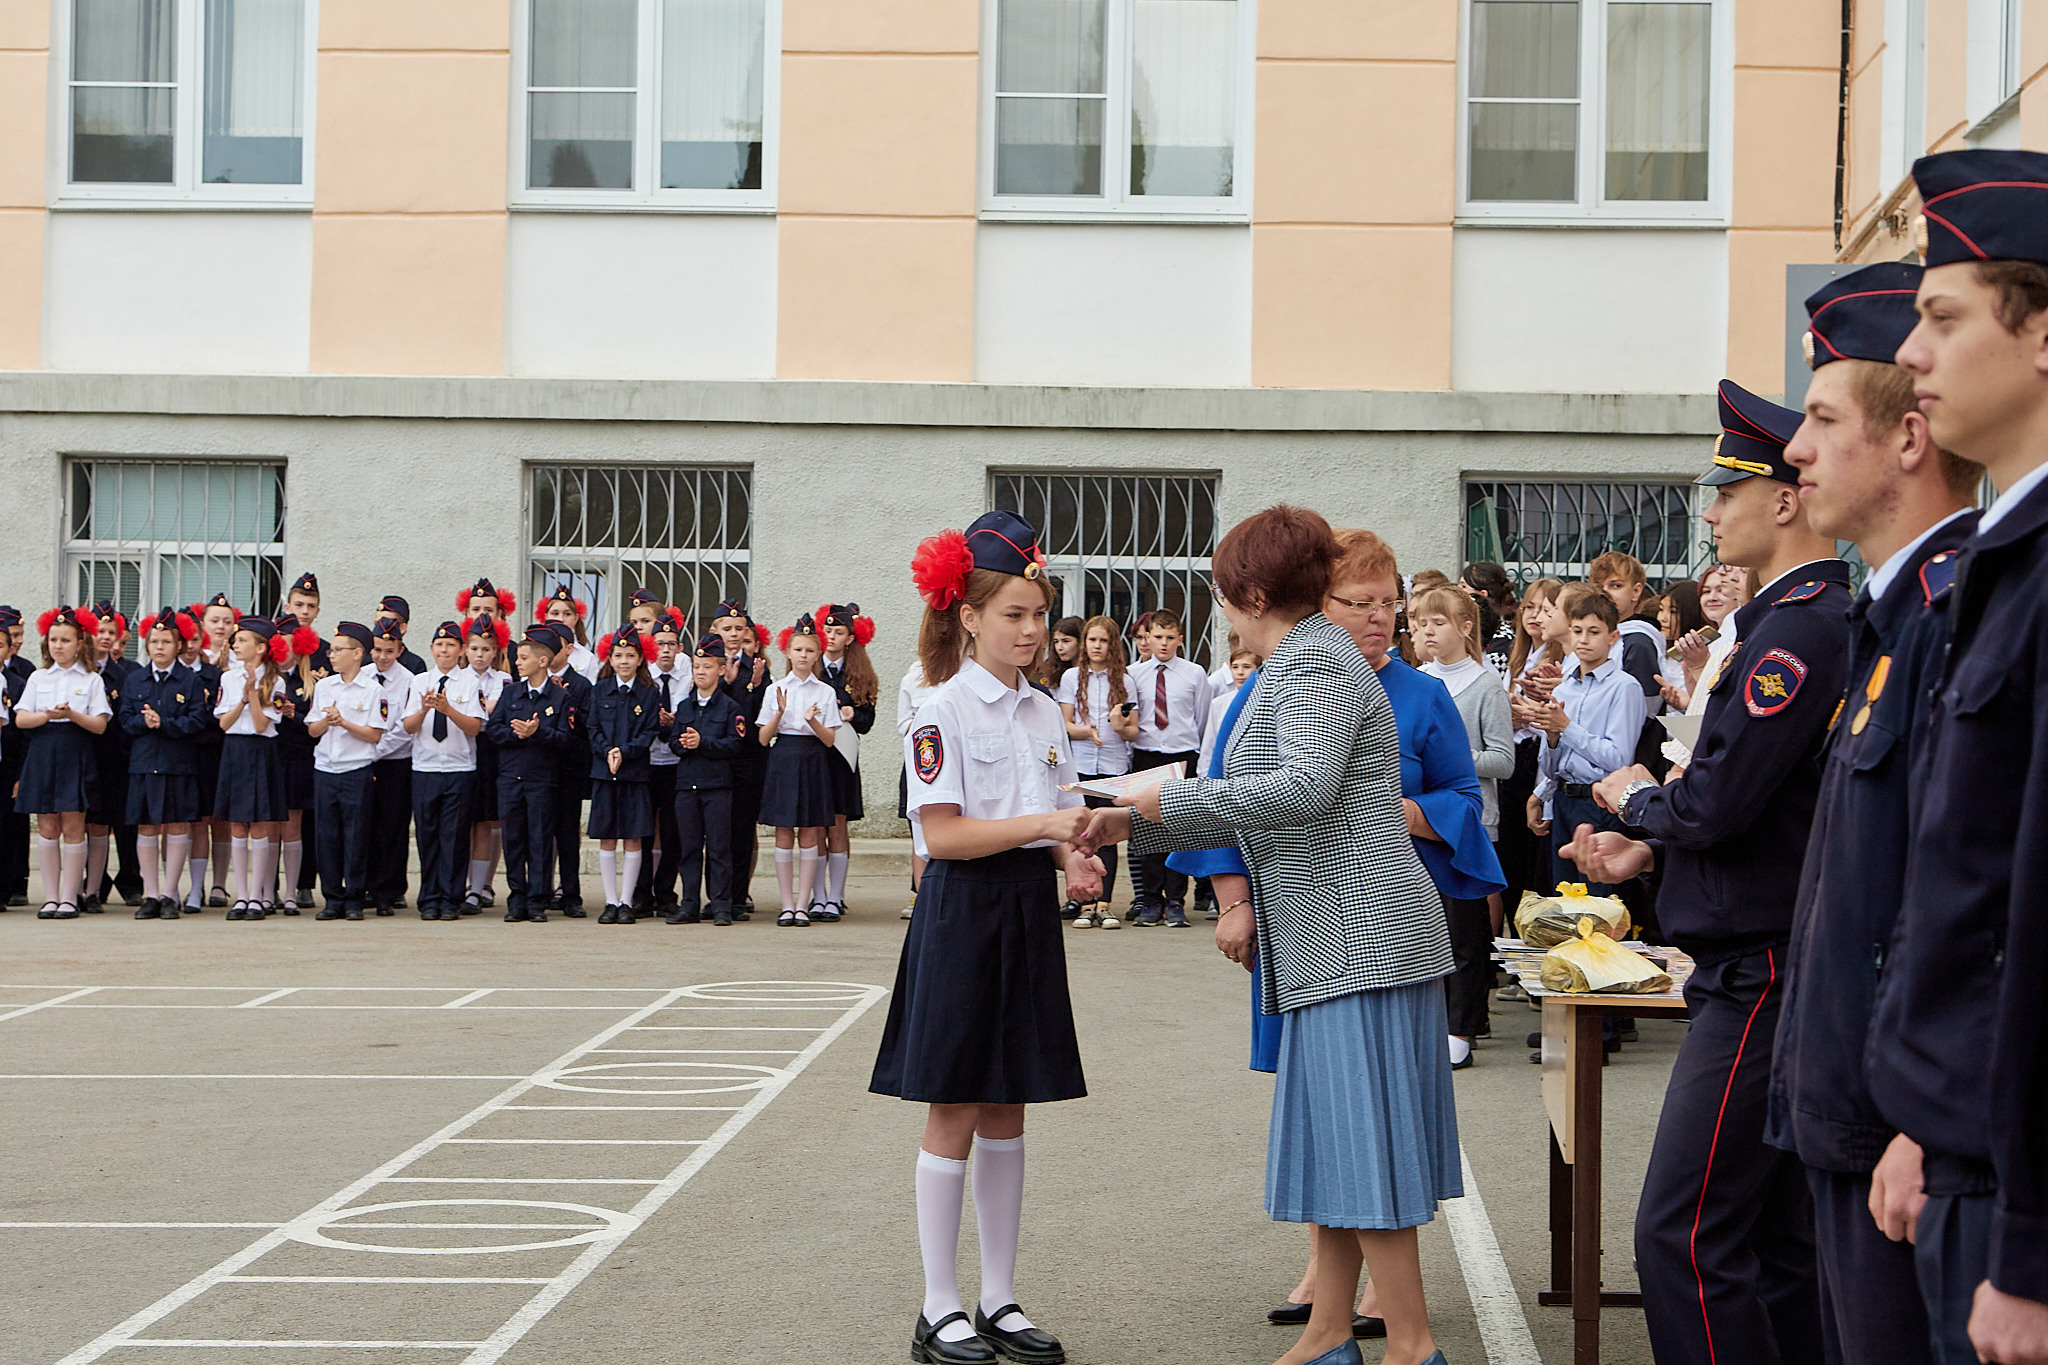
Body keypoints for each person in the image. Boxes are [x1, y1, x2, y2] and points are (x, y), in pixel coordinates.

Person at [1088, 506, 1458, 1365]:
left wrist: (1155, 809)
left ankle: (1410, 1343)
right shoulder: (1306, 659)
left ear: (1253, 592)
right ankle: (1331, 1333)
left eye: (1225, 595)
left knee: (1364, 1147)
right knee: (1338, 1141)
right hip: (1337, 937)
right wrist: (1136, 814)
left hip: (1359, 936)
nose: (1223, 611)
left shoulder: (1314, 666)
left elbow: (1303, 789)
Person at [1566, 379, 1849, 1365]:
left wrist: (1636, 800)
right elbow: (1741, 796)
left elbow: (1717, 799)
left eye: (1726, 490)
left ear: (1783, 499)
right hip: (1753, 954)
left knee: (1679, 1238)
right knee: (1772, 1245)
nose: (1709, 510)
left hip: (1759, 965)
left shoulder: (1799, 627)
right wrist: (1653, 838)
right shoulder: (1786, 621)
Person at [1769, 260, 1982, 1365]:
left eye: (1816, 419)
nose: (1793, 453)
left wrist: (1917, 1121)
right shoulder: (1886, 614)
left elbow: (1954, 894)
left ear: (1904, 441)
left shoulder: (1947, 614)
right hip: (1849, 1112)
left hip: (1894, 1134)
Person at [1865, 148, 2048, 1365]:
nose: (1913, 356)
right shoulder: (2005, 557)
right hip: (1967, 1157)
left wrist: (2030, 1251)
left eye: (1940, 317)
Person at [870, 509, 1100, 1365]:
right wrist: (1047, 822)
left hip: (1025, 912)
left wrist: (1075, 853)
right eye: (1014, 613)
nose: (1033, 630)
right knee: (957, 1101)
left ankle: (999, 1296)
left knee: (1011, 1101)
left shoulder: (1044, 711)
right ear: (968, 616)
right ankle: (939, 1304)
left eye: (1040, 613)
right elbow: (946, 835)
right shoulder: (938, 709)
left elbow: (1061, 812)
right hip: (963, 909)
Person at [1414, 585, 1516, 1056]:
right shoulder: (1420, 680)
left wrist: (1450, 757)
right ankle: (1436, 1018)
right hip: (1421, 818)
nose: (1426, 631)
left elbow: (1503, 760)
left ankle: (1466, 1024)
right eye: (1420, 622)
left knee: (1466, 928)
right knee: (1426, 927)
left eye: (1437, 622)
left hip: (1470, 820)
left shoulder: (1485, 685)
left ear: (1466, 627)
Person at [1525, 587, 1644, 896]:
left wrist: (1567, 727)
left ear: (1613, 638)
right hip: (1564, 800)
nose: (1584, 639)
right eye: (1577, 631)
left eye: (1594, 631)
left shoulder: (1624, 687)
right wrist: (1552, 739)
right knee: (1563, 897)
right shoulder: (1565, 689)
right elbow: (1553, 766)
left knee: (1599, 899)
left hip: (1599, 803)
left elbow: (1618, 759)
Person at [16, 606, 110, 919]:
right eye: (54, 639)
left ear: (79, 644)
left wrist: (71, 715)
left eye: (65, 640)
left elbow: (99, 725)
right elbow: (21, 719)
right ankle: (51, 897)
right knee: (46, 824)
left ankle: (70, 897)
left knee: (73, 824)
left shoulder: (92, 679)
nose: (58, 645)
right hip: (43, 752)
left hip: (75, 751)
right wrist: (47, 715)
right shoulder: (38, 677)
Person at [122, 608, 209, 920]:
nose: (159, 647)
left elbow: (198, 719)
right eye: (154, 641)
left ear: (179, 645)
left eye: (166, 641)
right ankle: (151, 893)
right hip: (144, 764)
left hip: (177, 763)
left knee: (177, 825)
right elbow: (124, 720)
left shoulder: (190, 680)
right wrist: (145, 723)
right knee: (146, 826)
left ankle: (170, 893)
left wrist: (166, 723)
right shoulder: (135, 680)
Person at [1126, 608, 1210, 927]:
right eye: (1157, 637)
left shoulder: (1194, 673)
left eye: (1169, 637)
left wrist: (1196, 760)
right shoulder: (1135, 674)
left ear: (1179, 639)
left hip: (1181, 755)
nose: (1163, 643)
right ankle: (1150, 900)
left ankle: (1176, 901)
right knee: (1147, 828)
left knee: (1179, 830)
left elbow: (1200, 718)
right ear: (1147, 637)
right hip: (1147, 754)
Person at [756, 614, 840, 927]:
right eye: (798, 650)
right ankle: (786, 904)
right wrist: (779, 712)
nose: (803, 656)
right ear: (788, 653)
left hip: (813, 758)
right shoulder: (775, 689)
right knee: (782, 832)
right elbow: (764, 738)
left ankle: (803, 904)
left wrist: (812, 720)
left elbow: (830, 740)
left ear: (817, 655)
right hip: (784, 757)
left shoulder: (825, 692)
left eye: (809, 650)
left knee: (809, 831)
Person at [402, 620, 488, 922]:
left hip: (459, 769)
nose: (444, 650)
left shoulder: (469, 683)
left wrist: (448, 708)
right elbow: (408, 726)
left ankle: (451, 898)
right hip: (425, 768)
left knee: (454, 836)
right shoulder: (418, 681)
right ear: (432, 649)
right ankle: (429, 898)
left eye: (451, 645)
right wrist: (426, 708)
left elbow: (475, 727)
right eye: (439, 645)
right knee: (427, 835)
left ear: (461, 650)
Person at [1057, 614, 1139, 928]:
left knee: (1105, 834)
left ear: (1112, 645)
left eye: (1103, 641)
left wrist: (1120, 727)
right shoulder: (1072, 678)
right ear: (1085, 643)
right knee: (1081, 833)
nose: (1097, 646)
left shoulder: (1125, 680)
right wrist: (1086, 731)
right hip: (1080, 766)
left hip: (1113, 766)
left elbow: (1133, 731)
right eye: (1092, 640)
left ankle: (1103, 904)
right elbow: (1064, 725)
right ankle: (1083, 901)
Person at [307, 622, 391, 922]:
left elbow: (374, 735)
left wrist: (344, 723)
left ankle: (355, 897)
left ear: (357, 654)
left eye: (338, 650)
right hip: (325, 769)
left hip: (356, 770)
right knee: (326, 836)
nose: (331, 655)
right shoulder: (324, 686)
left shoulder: (373, 691)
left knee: (356, 837)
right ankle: (332, 898)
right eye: (331, 649)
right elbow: (312, 730)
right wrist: (327, 723)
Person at [213, 616, 293, 920]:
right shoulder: (227, 678)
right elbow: (223, 723)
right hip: (235, 750)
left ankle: (259, 896)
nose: (236, 643)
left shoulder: (276, 681)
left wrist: (254, 696)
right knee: (236, 823)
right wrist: (242, 701)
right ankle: (242, 895)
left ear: (261, 648)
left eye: (243, 640)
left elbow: (262, 725)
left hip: (261, 750)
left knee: (260, 824)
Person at [487, 628, 569, 923]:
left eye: (523, 657)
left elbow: (565, 738)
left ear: (543, 661)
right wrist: (516, 733)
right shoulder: (510, 692)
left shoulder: (559, 696)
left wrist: (538, 732)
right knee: (513, 839)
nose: (517, 662)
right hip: (510, 777)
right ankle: (517, 898)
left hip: (541, 779)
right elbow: (492, 730)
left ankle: (537, 900)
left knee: (540, 839)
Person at [667, 631, 747, 926]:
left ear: (722, 670)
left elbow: (733, 745)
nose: (701, 672)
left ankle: (721, 905)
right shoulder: (685, 707)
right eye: (697, 667)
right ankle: (689, 904)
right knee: (688, 849)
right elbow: (673, 741)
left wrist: (703, 743)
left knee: (718, 847)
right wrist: (684, 743)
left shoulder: (730, 708)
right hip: (687, 786)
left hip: (717, 787)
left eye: (708, 667)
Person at [588, 622, 660, 924]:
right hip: (605, 773)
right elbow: (592, 728)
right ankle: (609, 901)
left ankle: (626, 902)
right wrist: (608, 751)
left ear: (640, 659)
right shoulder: (600, 689)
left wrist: (624, 752)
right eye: (618, 655)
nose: (624, 661)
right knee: (607, 838)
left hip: (634, 773)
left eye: (630, 655)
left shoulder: (649, 692)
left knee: (633, 838)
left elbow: (649, 731)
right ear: (610, 658)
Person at [817, 602, 880, 921]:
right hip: (813, 757)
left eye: (838, 632)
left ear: (850, 638)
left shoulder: (859, 674)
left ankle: (836, 896)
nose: (830, 637)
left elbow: (868, 720)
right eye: (827, 631)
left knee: (838, 823)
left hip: (842, 757)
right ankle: (816, 896)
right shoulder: (810, 666)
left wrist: (854, 713)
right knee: (815, 825)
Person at [714, 600, 771, 919]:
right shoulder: (710, 664)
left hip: (748, 759)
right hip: (717, 759)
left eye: (739, 629)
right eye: (727, 629)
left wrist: (754, 684)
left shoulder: (759, 668)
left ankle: (736, 897)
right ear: (715, 631)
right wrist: (728, 681)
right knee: (716, 832)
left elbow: (761, 718)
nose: (733, 635)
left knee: (740, 830)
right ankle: (716, 896)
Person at [541, 622, 594, 918]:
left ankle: (571, 893)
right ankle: (542, 889)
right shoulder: (534, 681)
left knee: (568, 834)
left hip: (570, 768)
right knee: (541, 832)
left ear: (569, 649)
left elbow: (586, 727)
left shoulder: (582, 685)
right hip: (540, 768)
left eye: (555, 645)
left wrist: (565, 699)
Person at [84, 605, 134, 913]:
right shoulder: (79, 671)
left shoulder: (127, 674)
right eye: (99, 631)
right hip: (84, 755)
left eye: (111, 633)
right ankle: (92, 885)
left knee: (123, 821)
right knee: (89, 822)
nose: (105, 637)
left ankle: (131, 882)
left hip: (118, 756)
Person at [270, 613, 322, 915]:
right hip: (272, 757)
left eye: (290, 643)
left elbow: (314, 728)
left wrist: (294, 716)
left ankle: (300, 886)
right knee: (271, 823)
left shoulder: (310, 683)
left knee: (295, 823)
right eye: (279, 643)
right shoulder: (267, 679)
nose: (284, 649)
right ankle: (270, 888)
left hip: (300, 760)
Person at [461, 614, 511, 914]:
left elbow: (488, 713)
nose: (480, 655)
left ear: (496, 652)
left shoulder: (503, 680)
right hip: (458, 752)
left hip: (488, 753)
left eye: (486, 649)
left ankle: (477, 889)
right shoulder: (455, 677)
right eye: (475, 648)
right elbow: (479, 710)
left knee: (483, 821)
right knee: (461, 822)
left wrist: (466, 708)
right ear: (466, 649)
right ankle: (460, 882)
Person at [639, 612, 688, 917]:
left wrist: (675, 723)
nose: (666, 649)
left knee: (673, 832)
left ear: (680, 647)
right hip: (646, 762)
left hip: (675, 764)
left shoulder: (687, 681)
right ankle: (641, 894)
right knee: (643, 830)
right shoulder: (644, 681)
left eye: (671, 643)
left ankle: (667, 893)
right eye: (660, 644)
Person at [366, 620, 416, 915]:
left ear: (399, 649)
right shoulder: (360, 676)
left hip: (395, 762)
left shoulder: (409, 680)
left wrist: (375, 750)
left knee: (393, 828)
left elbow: (402, 729)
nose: (382, 656)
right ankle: (367, 886)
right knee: (367, 826)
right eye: (376, 650)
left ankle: (390, 890)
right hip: (364, 761)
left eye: (388, 650)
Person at [895, 656, 942, 921]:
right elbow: (902, 723)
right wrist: (926, 724)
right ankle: (922, 895)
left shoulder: (963, 674)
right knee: (920, 829)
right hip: (922, 760)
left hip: (955, 761)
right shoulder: (912, 677)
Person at [0, 605, 30, 908]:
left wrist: (22, 773)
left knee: (8, 827)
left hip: (7, 765)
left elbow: (24, 736)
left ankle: (6, 887)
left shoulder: (19, 682)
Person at [538, 582, 602, 683]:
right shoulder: (535, 651)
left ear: (576, 618)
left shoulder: (587, 657)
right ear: (546, 617)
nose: (560, 619)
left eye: (567, 614)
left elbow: (590, 692)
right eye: (555, 613)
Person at [372, 595, 427, 676]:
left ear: (402, 628)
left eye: (386, 623)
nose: (381, 627)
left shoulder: (414, 665)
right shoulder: (362, 660)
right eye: (377, 624)